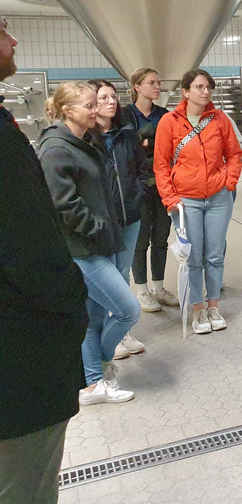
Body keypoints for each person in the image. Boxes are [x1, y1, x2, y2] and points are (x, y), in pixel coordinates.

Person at [0, 19, 89, 504]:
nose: (13, 41)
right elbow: (28, 242)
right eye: (2, 30)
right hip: (19, 362)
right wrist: (70, 303)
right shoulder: (46, 146)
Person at [38, 82, 139, 403]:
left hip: (99, 243)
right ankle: (101, 366)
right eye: (90, 105)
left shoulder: (81, 141)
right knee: (128, 310)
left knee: (94, 318)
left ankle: (92, 384)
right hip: (83, 249)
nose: (97, 109)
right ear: (68, 111)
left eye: (98, 103)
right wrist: (96, 229)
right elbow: (64, 204)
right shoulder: (56, 149)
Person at [154, 69, 242, 335]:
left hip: (218, 198)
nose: (205, 92)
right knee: (193, 258)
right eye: (199, 87)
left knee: (214, 256)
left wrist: (229, 181)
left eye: (208, 88)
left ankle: (213, 306)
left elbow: (234, 153)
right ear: (185, 91)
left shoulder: (220, 119)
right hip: (186, 201)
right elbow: (161, 164)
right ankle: (197, 309)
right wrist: (170, 197)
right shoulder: (169, 122)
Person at [88, 79, 147, 360]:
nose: (111, 102)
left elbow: (141, 169)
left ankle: (123, 332)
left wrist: (139, 194)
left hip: (130, 216)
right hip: (102, 222)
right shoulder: (85, 139)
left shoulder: (126, 134)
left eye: (113, 97)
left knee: (123, 274)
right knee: (106, 280)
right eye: (103, 98)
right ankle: (103, 337)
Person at [124, 68, 179, 315]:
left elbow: (170, 147)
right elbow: (127, 148)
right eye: (151, 83)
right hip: (138, 186)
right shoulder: (125, 115)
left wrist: (147, 143)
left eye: (158, 83)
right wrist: (146, 144)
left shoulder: (164, 115)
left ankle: (159, 288)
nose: (157, 87)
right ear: (137, 86)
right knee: (140, 239)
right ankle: (142, 290)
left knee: (161, 238)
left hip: (163, 184)